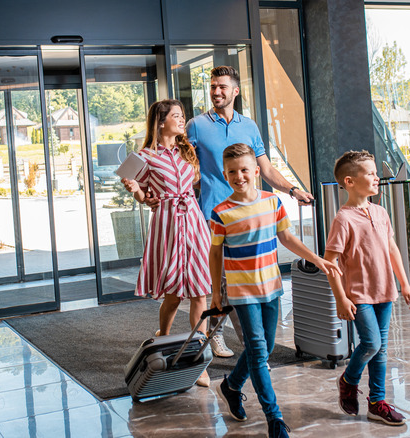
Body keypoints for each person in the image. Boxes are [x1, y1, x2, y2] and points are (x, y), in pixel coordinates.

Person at [210, 143, 341, 438]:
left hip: (271, 287)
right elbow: (215, 254)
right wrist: (216, 293)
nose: (239, 176)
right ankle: (275, 418)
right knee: (258, 351)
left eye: (244, 170)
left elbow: (287, 238)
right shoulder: (220, 213)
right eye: (232, 172)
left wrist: (316, 258)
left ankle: (231, 386)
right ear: (224, 174)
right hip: (242, 292)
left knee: (266, 347)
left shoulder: (272, 202)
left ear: (256, 171)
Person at [184, 65, 315, 358]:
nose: (216, 92)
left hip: (251, 213)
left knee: (245, 278)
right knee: (220, 281)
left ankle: (253, 348)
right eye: (213, 87)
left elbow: (265, 169)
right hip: (213, 214)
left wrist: (292, 191)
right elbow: (187, 168)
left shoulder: (250, 126)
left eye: (222, 87)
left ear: (235, 91)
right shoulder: (196, 125)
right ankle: (237, 344)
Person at [122, 99, 213, 387]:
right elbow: (144, 196)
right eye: (176, 116)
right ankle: (163, 338)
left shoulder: (187, 151)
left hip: (194, 222)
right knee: (174, 292)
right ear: (161, 121)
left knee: (200, 291)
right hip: (168, 223)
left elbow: (194, 183)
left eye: (182, 115)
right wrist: (136, 189)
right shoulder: (145, 156)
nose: (182, 120)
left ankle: (198, 355)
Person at [323, 150, 410, 426]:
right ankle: (349, 380)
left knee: (381, 349)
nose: (377, 178)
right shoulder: (344, 219)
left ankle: (377, 402)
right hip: (360, 294)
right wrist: (340, 298)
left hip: (385, 291)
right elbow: (331, 261)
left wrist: (405, 284)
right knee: (372, 343)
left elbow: (392, 249)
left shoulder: (380, 211)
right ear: (350, 181)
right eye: (371, 173)